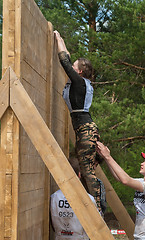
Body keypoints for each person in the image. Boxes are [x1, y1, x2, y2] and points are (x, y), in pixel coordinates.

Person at [54, 30, 101, 213]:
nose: (71, 69)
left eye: (74, 67)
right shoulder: (80, 82)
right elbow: (68, 59)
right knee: (85, 169)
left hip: (85, 129)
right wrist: (62, 40)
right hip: (85, 129)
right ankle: (90, 206)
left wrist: (58, 38)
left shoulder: (79, 82)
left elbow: (65, 61)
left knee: (87, 171)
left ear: (79, 71)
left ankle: (97, 210)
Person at [96, 141, 145, 240]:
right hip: (141, 237)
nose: (142, 163)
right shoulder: (142, 182)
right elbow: (120, 178)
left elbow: (126, 180)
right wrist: (105, 158)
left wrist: (109, 157)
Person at [50, 156, 97, 240]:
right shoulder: (89, 199)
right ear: (79, 175)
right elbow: (95, 227)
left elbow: (52, 225)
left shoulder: (53, 197)